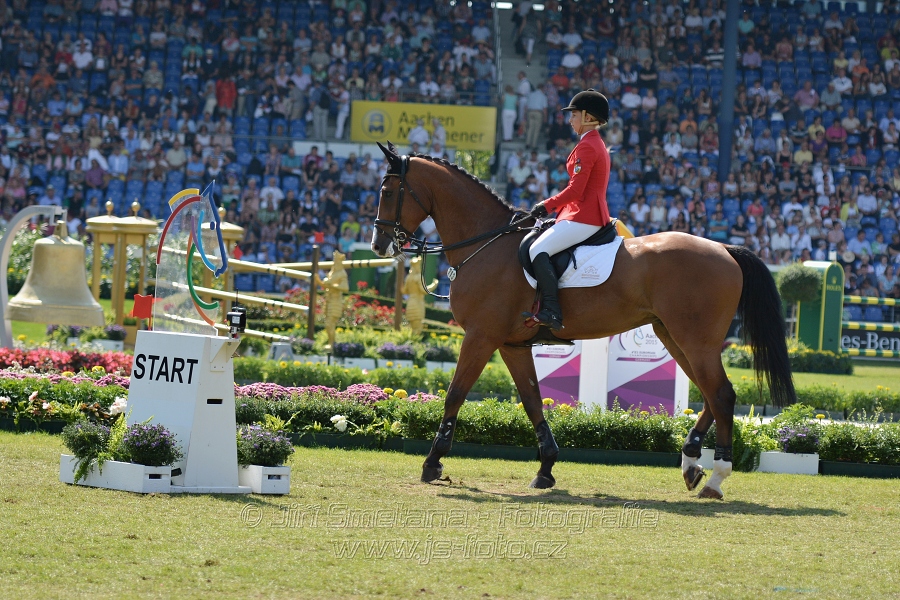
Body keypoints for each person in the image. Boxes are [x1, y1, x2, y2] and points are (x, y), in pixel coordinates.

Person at [528, 89, 612, 330]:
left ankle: (552, 310)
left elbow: (575, 191)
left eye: (574, 114)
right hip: (580, 213)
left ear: (587, 116)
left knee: (537, 250)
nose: (570, 119)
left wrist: (545, 205)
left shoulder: (588, 146)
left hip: (585, 216)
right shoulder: (592, 143)